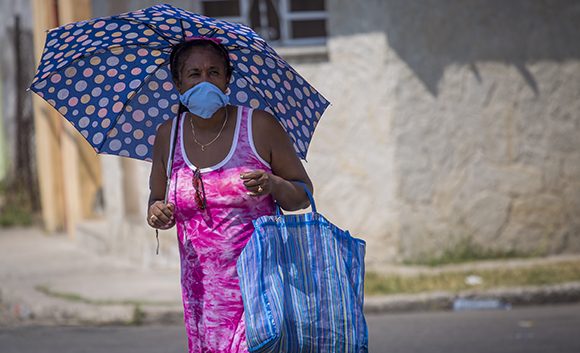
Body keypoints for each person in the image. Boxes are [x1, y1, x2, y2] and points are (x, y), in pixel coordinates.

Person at [146, 38, 313, 353]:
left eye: (214, 72)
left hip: (260, 290)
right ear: (178, 82)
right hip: (202, 296)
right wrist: (157, 212)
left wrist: (274, 184)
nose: (205, 81)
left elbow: (302, 194)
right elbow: (156, 199)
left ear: (227, 79)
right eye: (194, 74)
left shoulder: (259, 127)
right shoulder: (168, 136)